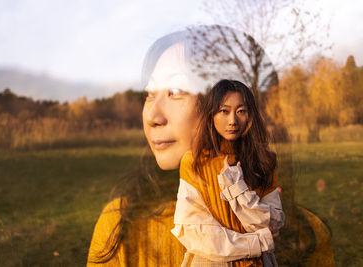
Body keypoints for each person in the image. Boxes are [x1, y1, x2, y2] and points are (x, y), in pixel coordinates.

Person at [87, 26, 282, 266]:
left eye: (176, 91)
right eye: (149, 94)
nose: (152, 117)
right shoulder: (119, 227)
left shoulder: (300, 231)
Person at [172, 79, 285, 266]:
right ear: (211, 115)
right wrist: (257, 242)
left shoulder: (265, 160)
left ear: (250, 116)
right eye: (224, 111)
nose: (232, 121)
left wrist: (237, 187)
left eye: (241, 111)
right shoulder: (194, 162)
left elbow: (271, 224)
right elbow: (196, 233)